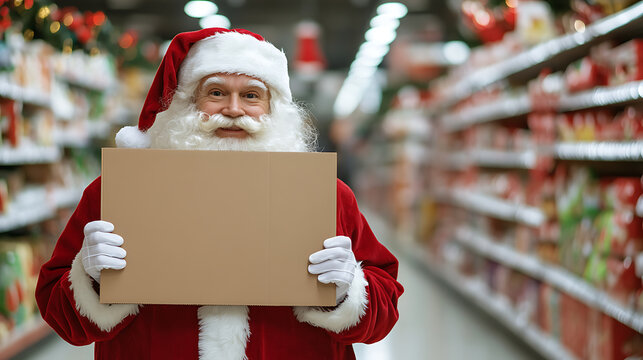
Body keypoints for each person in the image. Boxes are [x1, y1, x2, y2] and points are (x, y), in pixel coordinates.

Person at [35, 27, 403, 360]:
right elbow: (60, 316)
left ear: (273, 109)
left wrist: (349, 289)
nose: (233, 109)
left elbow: (383, 310)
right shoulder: (116, 192)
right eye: (215, 92)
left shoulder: (327, 195)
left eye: (251, 96)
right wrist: (88, 278)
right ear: (185, 104)